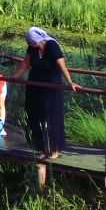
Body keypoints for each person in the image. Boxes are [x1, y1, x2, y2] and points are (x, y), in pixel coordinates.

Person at [11, 26, 79, 160]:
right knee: (35, 116)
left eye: (29, 41)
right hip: (35, 86)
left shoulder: (52, 45)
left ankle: (54, 149)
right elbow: (26, 64)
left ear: (36, 39)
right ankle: (41, 148)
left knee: (50, 117)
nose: (28, 44)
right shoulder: (33, 47)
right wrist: (15, 76)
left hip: (51, 87)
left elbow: (61, 65)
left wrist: (70, 82)